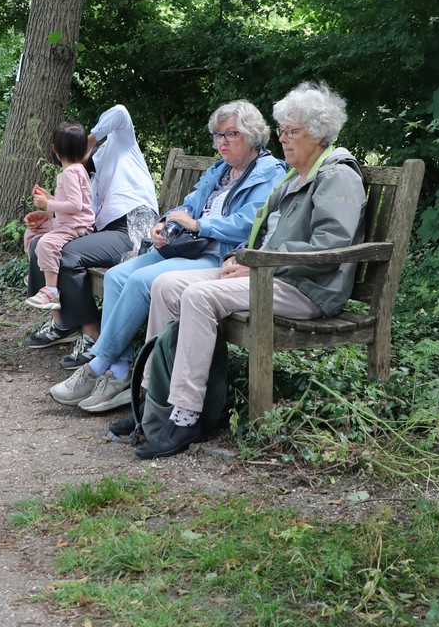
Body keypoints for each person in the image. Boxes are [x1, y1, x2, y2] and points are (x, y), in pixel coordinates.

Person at [129, 81, 365, 459]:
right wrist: (242, 256)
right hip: (271, 274)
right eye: (282, 130)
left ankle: (187, 416)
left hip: (307, 287)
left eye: (292, 131)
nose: (282, 138)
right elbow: (266, 236)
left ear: (318, 133)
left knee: (198, 295)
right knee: (166, 285)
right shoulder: (294, 176)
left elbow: (330, 248)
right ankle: (153, 404)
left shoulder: (337, 176)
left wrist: (256, 265)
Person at [48, 100, 285, 414]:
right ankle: (119, 372)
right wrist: (166, 223)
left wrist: (199, 225)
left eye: (231, 134)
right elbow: (188, 205)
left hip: (219, 257)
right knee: (117, 276)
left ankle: (99, 364)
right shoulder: (220, 171)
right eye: (218, 136)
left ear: (252, 135)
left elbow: (247, 223)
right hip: (186, 246)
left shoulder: (269, 172)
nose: (222, 142)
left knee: (140, 281)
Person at [23, 104, 158, 357]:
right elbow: (82, 217)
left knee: (66, 253)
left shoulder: (119, 144)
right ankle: (63, 323)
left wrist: (89, 140)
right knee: (39, 242)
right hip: (106, 233)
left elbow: (120, 112)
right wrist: (49, 215)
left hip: (133, 229)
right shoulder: (85, 177)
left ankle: (94, 335)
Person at [23, 122, 97, 310]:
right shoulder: (78, 169)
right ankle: (39, 270)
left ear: (54, 149)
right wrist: (49, 198)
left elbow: (75, 205)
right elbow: (71, 202)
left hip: (75, 226)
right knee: (33, 232)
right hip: (68, 221)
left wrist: (47, 204)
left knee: (46, 243)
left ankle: (51, 292)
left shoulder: (70, 173)